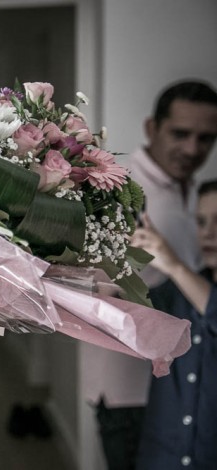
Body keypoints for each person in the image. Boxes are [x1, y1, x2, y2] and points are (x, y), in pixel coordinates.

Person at [86, 80, 217, 470]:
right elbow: (95, 287)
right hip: (136, 394)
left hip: (191, 388)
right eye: (180, 133)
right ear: (151, 129)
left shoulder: (195, 194)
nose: (192, 149)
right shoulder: (119, 189)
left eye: (206, 138)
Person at [131, 180, 217, 469]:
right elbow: (122, 317)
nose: (208, 232)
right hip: (161, 457)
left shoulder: (181, 278)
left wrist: (172, 262)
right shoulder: (175, 293)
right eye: (202, 221)